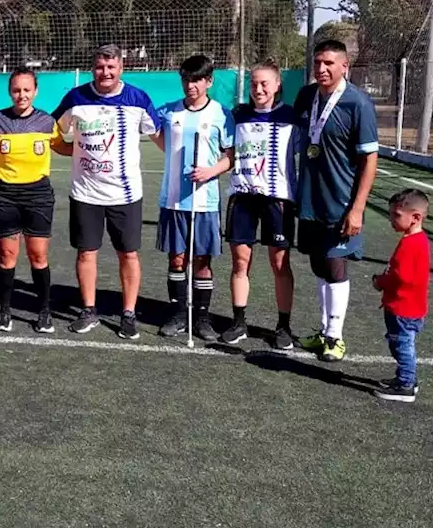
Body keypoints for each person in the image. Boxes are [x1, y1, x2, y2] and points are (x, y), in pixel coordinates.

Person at [51, 44, 156, 337]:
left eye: (111, 67)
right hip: (85, 193)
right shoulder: (76, 98)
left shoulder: (138, 98)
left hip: (125, 194)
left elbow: (156, 132)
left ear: (121, 67)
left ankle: (128, 313)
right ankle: (88, 310)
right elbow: (53, 131)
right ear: (92, 68)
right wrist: (70, 149)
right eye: (99, 67)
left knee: (129, 254)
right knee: (86, 253)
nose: (105, 72)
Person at [294, 39, 380, 362]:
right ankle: (323, 330)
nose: (322, 69)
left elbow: (369, 160)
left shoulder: (357, 104)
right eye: (318, 62)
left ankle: (336, 336)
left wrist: (357, 209)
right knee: (318, 263)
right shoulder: (306, 97)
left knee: (335, 263)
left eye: (329, 63)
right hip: (309, 199)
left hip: (340, 201)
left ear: (345, 66)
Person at [150, 54, 235, 343]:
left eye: (197, 79)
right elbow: (151, 129)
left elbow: (230, 157)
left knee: (201, 260)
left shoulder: (221, 114)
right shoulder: (170, 111)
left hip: (205, 202)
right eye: (186, 79)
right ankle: (176, 314)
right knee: (176, 259)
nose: (190, 85)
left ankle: (201, 318)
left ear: (208, 81)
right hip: (173, 200)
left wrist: (211, 171)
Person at [0, 67, 59, 333]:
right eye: (16, 90)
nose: (21, 95)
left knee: (38, 256)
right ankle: (4, 310)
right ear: (9, 92)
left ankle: (44, 310)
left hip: (38, 195)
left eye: (26, 90)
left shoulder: (47, 122)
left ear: (35, 91)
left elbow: (65, 147)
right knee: (7, 257)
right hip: (3, 195)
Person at [225, 60, 298, 349]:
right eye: (254, 83)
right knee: (240, 262)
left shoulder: (293, 117)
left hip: (277, 200)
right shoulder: (237, 115)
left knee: (280, 263)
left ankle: (283, 326)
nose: (258, 89)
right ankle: (239, 321)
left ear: (277, 84)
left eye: (264, 83)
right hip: (242, 197)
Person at [371, 189, 431, 403]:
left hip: (403, 308)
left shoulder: (411, 244)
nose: (391, 220)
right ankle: (405, 378)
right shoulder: (416, 240)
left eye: (396, 215)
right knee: (400, 344)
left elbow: (401, 277)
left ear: (416, 217)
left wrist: (380, 282)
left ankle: (406, 384)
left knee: (402, 345)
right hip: (407, 306)